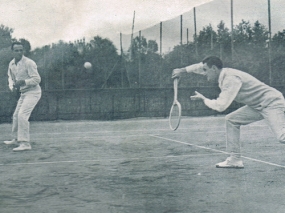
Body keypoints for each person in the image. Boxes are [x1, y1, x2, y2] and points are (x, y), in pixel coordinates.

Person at [172, 56, 285, 168]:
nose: (204, 73)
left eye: (206, 71)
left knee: (282, 137)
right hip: (256, 105)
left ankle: (235, 159)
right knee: (231, 120)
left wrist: (204, 99)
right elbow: (199, 67)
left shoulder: (231, 79)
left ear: (214, 69)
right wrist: (182, 71)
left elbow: (221, 106)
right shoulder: (221, 73)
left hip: (272, 103)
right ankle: (235, 160)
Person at [4, 41, 42, 151]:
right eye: (16, 50)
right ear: (12, 51)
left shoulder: (29, 63)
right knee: (16, 115)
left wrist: (23, 82)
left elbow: (37, 79)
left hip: (33, 92)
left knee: (22, 115)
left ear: (23, 51)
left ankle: (25, 143)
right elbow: (10, 78)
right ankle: (16, 139)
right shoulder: (11, 64)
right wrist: (12, 87)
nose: (19, 52)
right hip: (24, 93)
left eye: (21, 50)